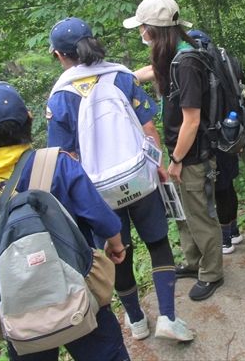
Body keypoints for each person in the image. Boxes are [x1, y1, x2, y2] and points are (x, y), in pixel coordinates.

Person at [0, 81, 130, 361]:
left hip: (19, 307)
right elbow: (102, 219)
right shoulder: (59, 163)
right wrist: (116, 244)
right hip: (78, 290)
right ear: (29, 119)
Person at [45, 18, 195, 342]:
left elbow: (64, 158)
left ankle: (137, 321)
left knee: (118, 251)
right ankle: (168, 316)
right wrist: (158, 165)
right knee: (158, 243)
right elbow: (149, 129)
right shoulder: (120, 76)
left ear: (59, 55)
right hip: (139, 179)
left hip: (97, 193)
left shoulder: (59, 97)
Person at [123, 0, 224, 301]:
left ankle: (212, 273)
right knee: (184, 212)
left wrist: (177, 159)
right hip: (181, 152)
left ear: (154, 30)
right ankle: (193, 262)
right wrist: (119, 77)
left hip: (193, 155)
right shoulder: (176, 54)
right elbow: (150, 72)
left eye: (143, 28)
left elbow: (191, 121)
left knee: (201, 215)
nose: (141, 34)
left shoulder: (187, 62)